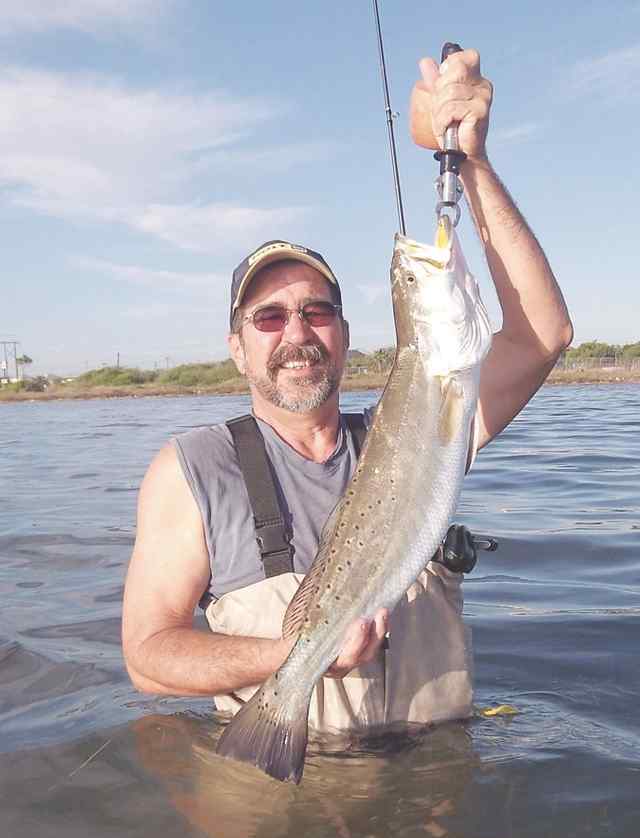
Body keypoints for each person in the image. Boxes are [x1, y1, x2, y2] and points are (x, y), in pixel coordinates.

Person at [122, 50, 572, 730]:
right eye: (268, 317)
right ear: (237, 347)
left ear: (345, 333)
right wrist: (293, 655)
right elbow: (149, 659)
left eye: (317, 312)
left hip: (434, 775)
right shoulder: (193, 471)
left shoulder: (420, 422)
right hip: (282, 791)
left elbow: (544, 335)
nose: (295, 332)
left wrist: (472, 165)